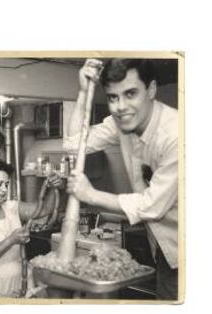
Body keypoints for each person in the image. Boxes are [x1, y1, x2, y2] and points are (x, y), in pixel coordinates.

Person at [64, 58, 179, 300]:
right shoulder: (121, 123)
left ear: (152, 90)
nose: (120, 106)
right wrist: (84, 92)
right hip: (164, 251)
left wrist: (91, 194)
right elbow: (74, 144)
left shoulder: (177, 135)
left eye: (130, 94)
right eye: (113, 97)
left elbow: (152, 206)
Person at [0, 160, 62, 296]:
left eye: (6, 184)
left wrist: (53, 187)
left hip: (23, 278)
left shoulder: (11, 207)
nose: (4, 189)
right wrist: (11, 240)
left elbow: (45, 209)